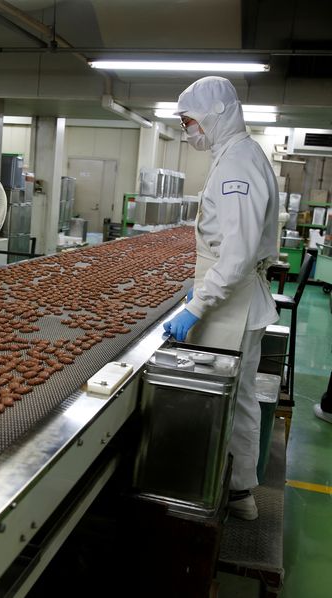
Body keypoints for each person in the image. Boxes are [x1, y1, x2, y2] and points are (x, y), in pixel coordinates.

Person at [162, 76, 280, 520]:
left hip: (233, 304)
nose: (189, 131)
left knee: (230, 398)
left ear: (215, 116)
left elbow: (238, 252)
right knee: (238, 396)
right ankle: (237, 488)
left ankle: (227, 489)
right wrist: (204, 284)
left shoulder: (238, 164)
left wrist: (197, 305)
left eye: (191, 122)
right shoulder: (232, 155)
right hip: (230, 294)